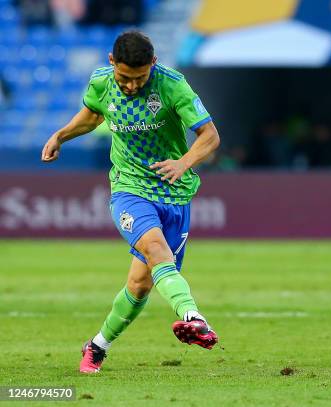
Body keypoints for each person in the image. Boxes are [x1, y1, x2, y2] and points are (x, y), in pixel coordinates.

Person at [41, 31, 221, 373]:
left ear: (153, 64)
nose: (131, 86)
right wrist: (60, 135)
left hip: (174, 191)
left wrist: (183, 162)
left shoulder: (172, 85)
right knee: (156, 250)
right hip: (130, 188)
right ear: (112, 63)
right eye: (125, 78)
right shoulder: (101, 82)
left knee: (140, 285)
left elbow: (209, 135)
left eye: (140, 79)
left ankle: (96, 346)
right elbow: (93, 115)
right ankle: (193, 317)